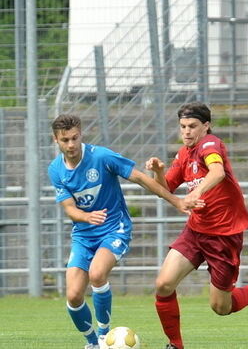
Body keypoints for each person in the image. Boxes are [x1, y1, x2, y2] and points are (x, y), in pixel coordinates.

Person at [48, 114, 197, 349]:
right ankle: (92, 343)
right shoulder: (56, 170)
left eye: (75, 138)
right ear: (56, 140)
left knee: (97, 274)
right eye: (65, 140)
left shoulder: (101, 156)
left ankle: (103, 335)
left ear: (81, 135)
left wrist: (175, 201)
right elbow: (70, 209)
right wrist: (86, 217)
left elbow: (139, 178)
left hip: (114, 228)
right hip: (84, 235)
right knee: (74, 296)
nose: (71, 145)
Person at [146, 103, 248, 349]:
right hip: (195, 231)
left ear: (206, 126)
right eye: (183, 127)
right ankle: (175, 344)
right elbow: (166, 189)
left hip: (224, 236)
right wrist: (159, 173)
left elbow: (218, 173)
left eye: (192, 126)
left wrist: (197, 193)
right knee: (163, 284)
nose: (187, 132)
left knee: (220, 307)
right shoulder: (184, 154)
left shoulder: (210, 145)